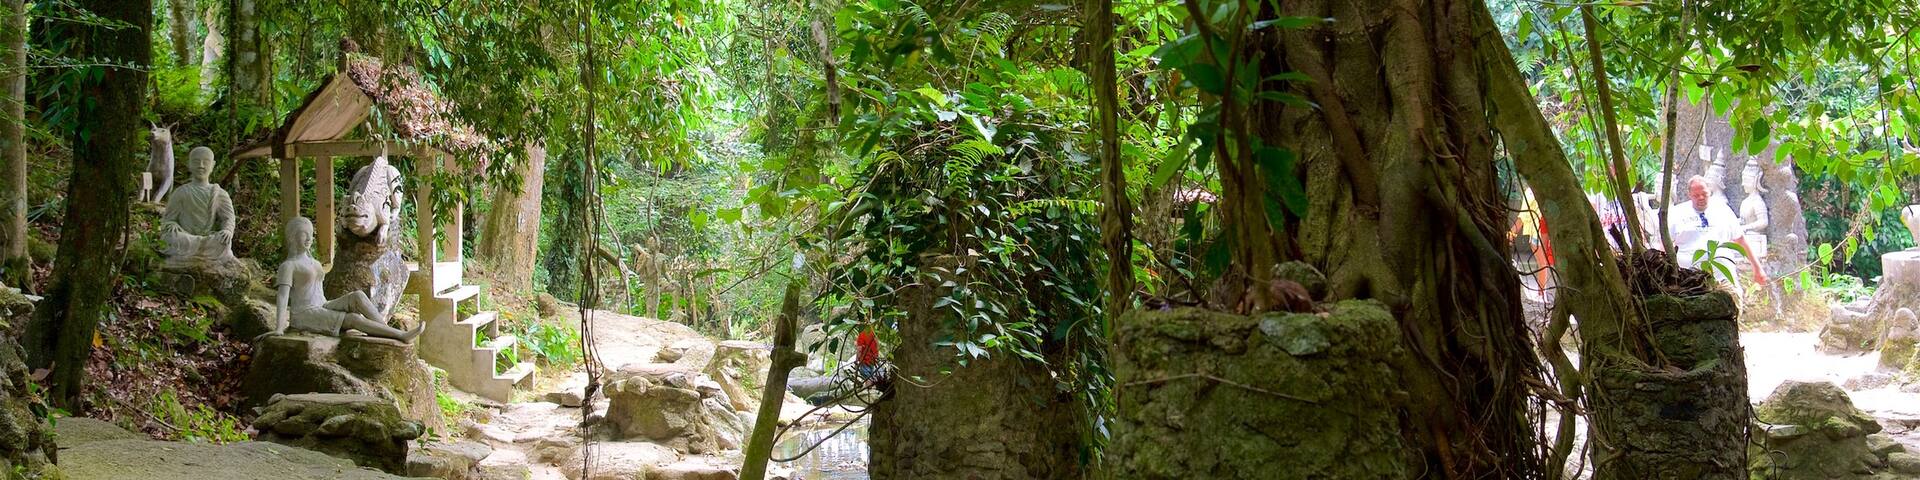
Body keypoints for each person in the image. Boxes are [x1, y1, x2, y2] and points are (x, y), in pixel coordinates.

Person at [274, 216, 424, 342]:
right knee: (353, 319)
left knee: (357, 296)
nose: (308, 238)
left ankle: (385, 331)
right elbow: (282, 296)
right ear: (293, 237)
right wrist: (279, 328)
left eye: (311, 234)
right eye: (303, 234)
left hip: (322, 305)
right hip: (304, 314)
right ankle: (400, 335)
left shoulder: (314, 263)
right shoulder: (289, 266)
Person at [1667, 176, 1766, 284]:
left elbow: (1740, 239)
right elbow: (1665, 244)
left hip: (1723, 276)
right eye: (1696, 195)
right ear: (1689, 195)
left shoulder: (1723, 210)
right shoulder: (1677, 213)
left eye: (1704, 194)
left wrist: (1757, 267)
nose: (1701, 198)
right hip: (1689, 279)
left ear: (1709, 191)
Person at [1511, 188, 1554, 299]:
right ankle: (1542, 294)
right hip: (1538, 232)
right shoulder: (1532, 192)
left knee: (1543, 264)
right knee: (1543, 264)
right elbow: (1523, 217)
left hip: (1538, 232)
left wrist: (1511, 234)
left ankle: (1542, 294)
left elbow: (1522, 217)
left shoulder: (1530, 192)